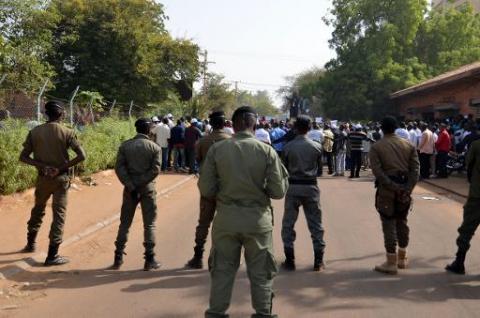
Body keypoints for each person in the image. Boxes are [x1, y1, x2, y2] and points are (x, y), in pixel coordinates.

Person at [199, 106, 288, 318]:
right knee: (262, 272)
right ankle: (263, 313)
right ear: (253, 124)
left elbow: (206, 189)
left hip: (226, 219)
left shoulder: (217, 149)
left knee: (222, 270)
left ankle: (216, 313)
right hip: (257, 220)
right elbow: (278, 191)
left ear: (235, 124)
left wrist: (225, 192)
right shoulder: (267, 151)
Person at [19, 101, 86, 266]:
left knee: (38, 209)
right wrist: (60, 168)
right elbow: (81, 155)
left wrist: (43, 166)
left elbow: (23, 157)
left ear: (45, 113)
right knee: (59, 216)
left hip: (43, 178)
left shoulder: (35, 132)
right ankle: (52, 255)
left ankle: (31, 243)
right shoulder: (67, 132)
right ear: (62, 114)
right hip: (61, 179)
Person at [369, 116, 419, 275]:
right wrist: (407, 189)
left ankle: (391, 262)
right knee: (402, 221)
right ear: (396, 128)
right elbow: (416, 170)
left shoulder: (377, 147)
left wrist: (393, 187)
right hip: (404, 189)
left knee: (388, 223)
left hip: (387, 190)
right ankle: (402, 258)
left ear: (382, 129)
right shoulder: (409, 145)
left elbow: (377, 172)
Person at [112, 118, 162, 271]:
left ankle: (118, 257)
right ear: (149, 130)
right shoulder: (155, 148)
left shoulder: (125, 146)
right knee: (150, 224)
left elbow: (119, 167)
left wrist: (131, 185)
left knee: (125, 223)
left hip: (129, 189)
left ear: (136, 129)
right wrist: (141, 183)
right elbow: (155, 170)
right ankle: (149, 259)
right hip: (147, 189)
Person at [186, 111, 231, 269]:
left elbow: (197, 159)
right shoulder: (231, 141)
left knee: (203, 223)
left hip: (207, 187)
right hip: (226, 188)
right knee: (224, 224)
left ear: (211, 124)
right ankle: (218, 258)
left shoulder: (203, 141)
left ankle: (198, 257)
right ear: (225, 123)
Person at [281, 115, 325, 272]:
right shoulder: (317, 147)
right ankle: (318, 261)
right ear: (310, 127)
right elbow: (319, 170)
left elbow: (283, 170)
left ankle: (290, 260)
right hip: (311, 187)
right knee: (315, 224)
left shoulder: (288, 147)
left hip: (293, 187)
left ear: (295, 128)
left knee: (288, 224)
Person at [445, 139, 480, 274]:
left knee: (466, 230)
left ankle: (459, 263)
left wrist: (473, 182)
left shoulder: (476, 145)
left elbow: (468, 165)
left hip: (477, 196)